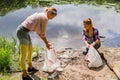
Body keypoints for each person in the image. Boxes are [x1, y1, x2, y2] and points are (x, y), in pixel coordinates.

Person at [16, 7, 57, 80]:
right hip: (22, 32)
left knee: (30, 50)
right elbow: (42, 33)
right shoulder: (45, 18)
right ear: (50, 13)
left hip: (26, 31)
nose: (52, 19)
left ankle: (30, 68)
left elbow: (39, 32)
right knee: (23, 54)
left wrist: (46, 42)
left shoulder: (43, 15)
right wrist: (47, 43)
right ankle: (24, 75)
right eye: (53, 17)